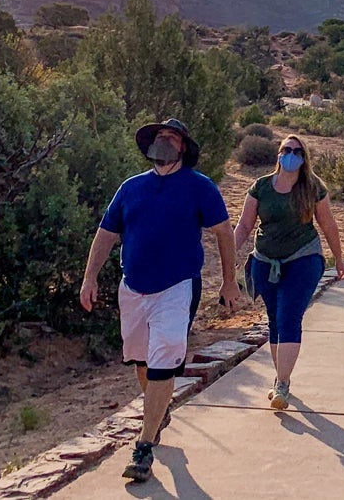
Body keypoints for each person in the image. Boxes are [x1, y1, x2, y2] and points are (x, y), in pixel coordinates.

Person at [79, 118, 240, 483]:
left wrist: (229, 282)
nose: (164, 141)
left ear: (183, 147)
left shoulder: (200, 187)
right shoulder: (131, 188)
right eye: (159, 137)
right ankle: (158, 411)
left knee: (163, 359)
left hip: (178, 286)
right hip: (133, 288)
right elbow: (105, 235)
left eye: (172, 137)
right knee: (141, 361)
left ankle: (144, 446)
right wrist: (89, 278)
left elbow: (224, 234)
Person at [233, 134, 344, 409]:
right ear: (278, 154)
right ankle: (281, 380)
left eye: (297, 151)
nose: (291, 155)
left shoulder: (313, 187)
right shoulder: (261, 187)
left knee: (289, 317)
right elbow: (245, 225)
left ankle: (282, 383)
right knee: (274, 320)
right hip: (265, 261)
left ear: (304, 158)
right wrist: (228, 260)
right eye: (286, 150)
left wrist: (339, 259)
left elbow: (328, 224)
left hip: (303, 259)